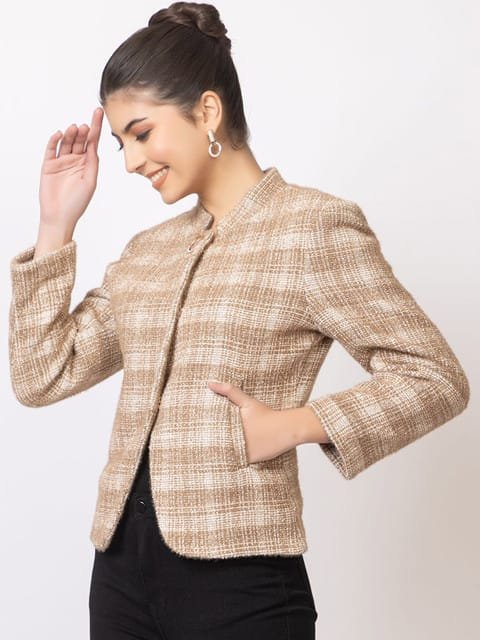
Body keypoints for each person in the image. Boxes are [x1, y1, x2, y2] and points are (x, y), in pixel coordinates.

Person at [8, 3, 470, 639]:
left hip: (240, 584)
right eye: (120, 143)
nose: (130, 162)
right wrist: (55, 224)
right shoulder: (149, 253)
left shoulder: (312, 228)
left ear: (206, 111)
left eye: (141, 133)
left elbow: (434, 376)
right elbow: (42, 376)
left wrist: (296, 425)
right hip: (119, 578)